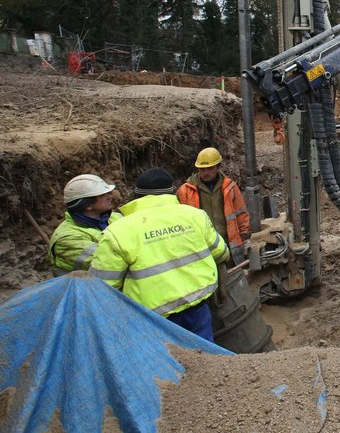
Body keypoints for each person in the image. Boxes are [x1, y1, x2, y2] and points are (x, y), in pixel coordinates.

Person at [89, 167, 229, 342]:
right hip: (197, 306)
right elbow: (221, 252)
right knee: (205, 358)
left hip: (152, 318)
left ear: (137, 196)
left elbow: (102, 287)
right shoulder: (195, 216)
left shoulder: (117, 232)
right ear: (171, 192)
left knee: (166, 365)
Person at [176, 147, 251, 264]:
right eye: (202, 169)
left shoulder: (230, 187)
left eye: (210, 168)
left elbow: (241, 213)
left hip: (229, 245)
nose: (206, 173)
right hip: (201, 248)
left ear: (218, 167)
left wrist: (245, 237)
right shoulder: (185, 191)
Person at [48, 174, 120, 276]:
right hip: (85, 289)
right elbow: (107, 262)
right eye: (102, 195)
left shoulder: (115, 217)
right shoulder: (67, 238)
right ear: (88, 205)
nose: (110, 196)